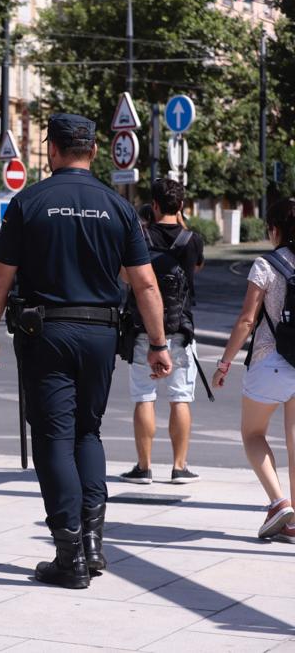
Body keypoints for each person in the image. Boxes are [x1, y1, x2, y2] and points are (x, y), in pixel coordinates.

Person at [0, 113, 171, 590]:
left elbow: (0, 277)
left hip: (46, 334)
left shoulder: (30, 202)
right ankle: (93, 543)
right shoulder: (118, 207)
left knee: (53, 438)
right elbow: (144, 282)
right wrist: (159, 343)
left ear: (53, 150)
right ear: (96, 151)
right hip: (102, 334)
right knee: (88, 431)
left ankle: (69, 556)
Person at [211, 198, 295, 541]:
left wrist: (224, 362)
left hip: (270, 362)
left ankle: (279, 503)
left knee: (252, 434)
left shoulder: (265, 264)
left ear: (273, 229)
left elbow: (247, 320)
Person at [120, 178, 204, 485]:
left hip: (144, 328)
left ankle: (144, 467)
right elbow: (196, 269)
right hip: (180, 329)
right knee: (180, 397)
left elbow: (125, 277)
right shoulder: (192, 239)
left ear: (153, 205)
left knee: (144, 397)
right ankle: (179, 467)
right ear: (180, 206)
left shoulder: (139, 236)